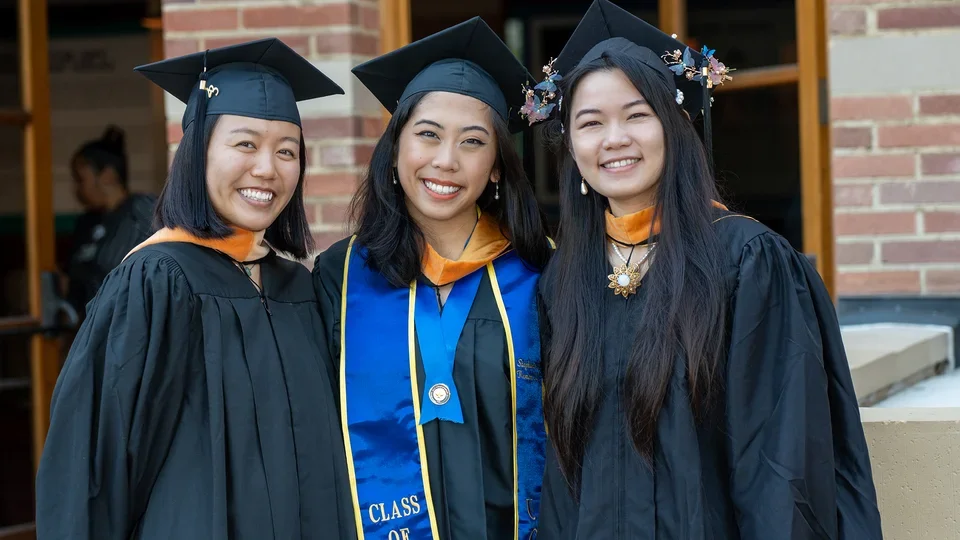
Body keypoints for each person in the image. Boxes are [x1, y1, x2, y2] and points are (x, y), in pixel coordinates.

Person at [529, 1, 883, 538]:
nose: (614, 139)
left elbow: (779, 470)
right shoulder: (565, 281)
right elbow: (562, 479)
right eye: (590, 123)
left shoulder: (745, 262)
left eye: (637, 115)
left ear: (675, 127)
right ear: (572, 149)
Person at [36, 38, 354, 539]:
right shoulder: (154, 282)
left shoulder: (298, 288)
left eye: (286, 151)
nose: (267, 168)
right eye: (245, 144)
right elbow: (97, 464)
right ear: (197, 153)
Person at [313, 17, 552, 540]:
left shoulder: (543, 276)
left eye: (472, 142)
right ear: (396, 151)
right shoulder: (340, 277)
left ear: (496, 167)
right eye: (427, 135)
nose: (446, 161)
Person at [65, 126, 156, 316]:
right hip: (91, 331)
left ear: (107, 175)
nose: (77, 189)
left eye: (81, 180)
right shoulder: (86, 224)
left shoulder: (143, 213)